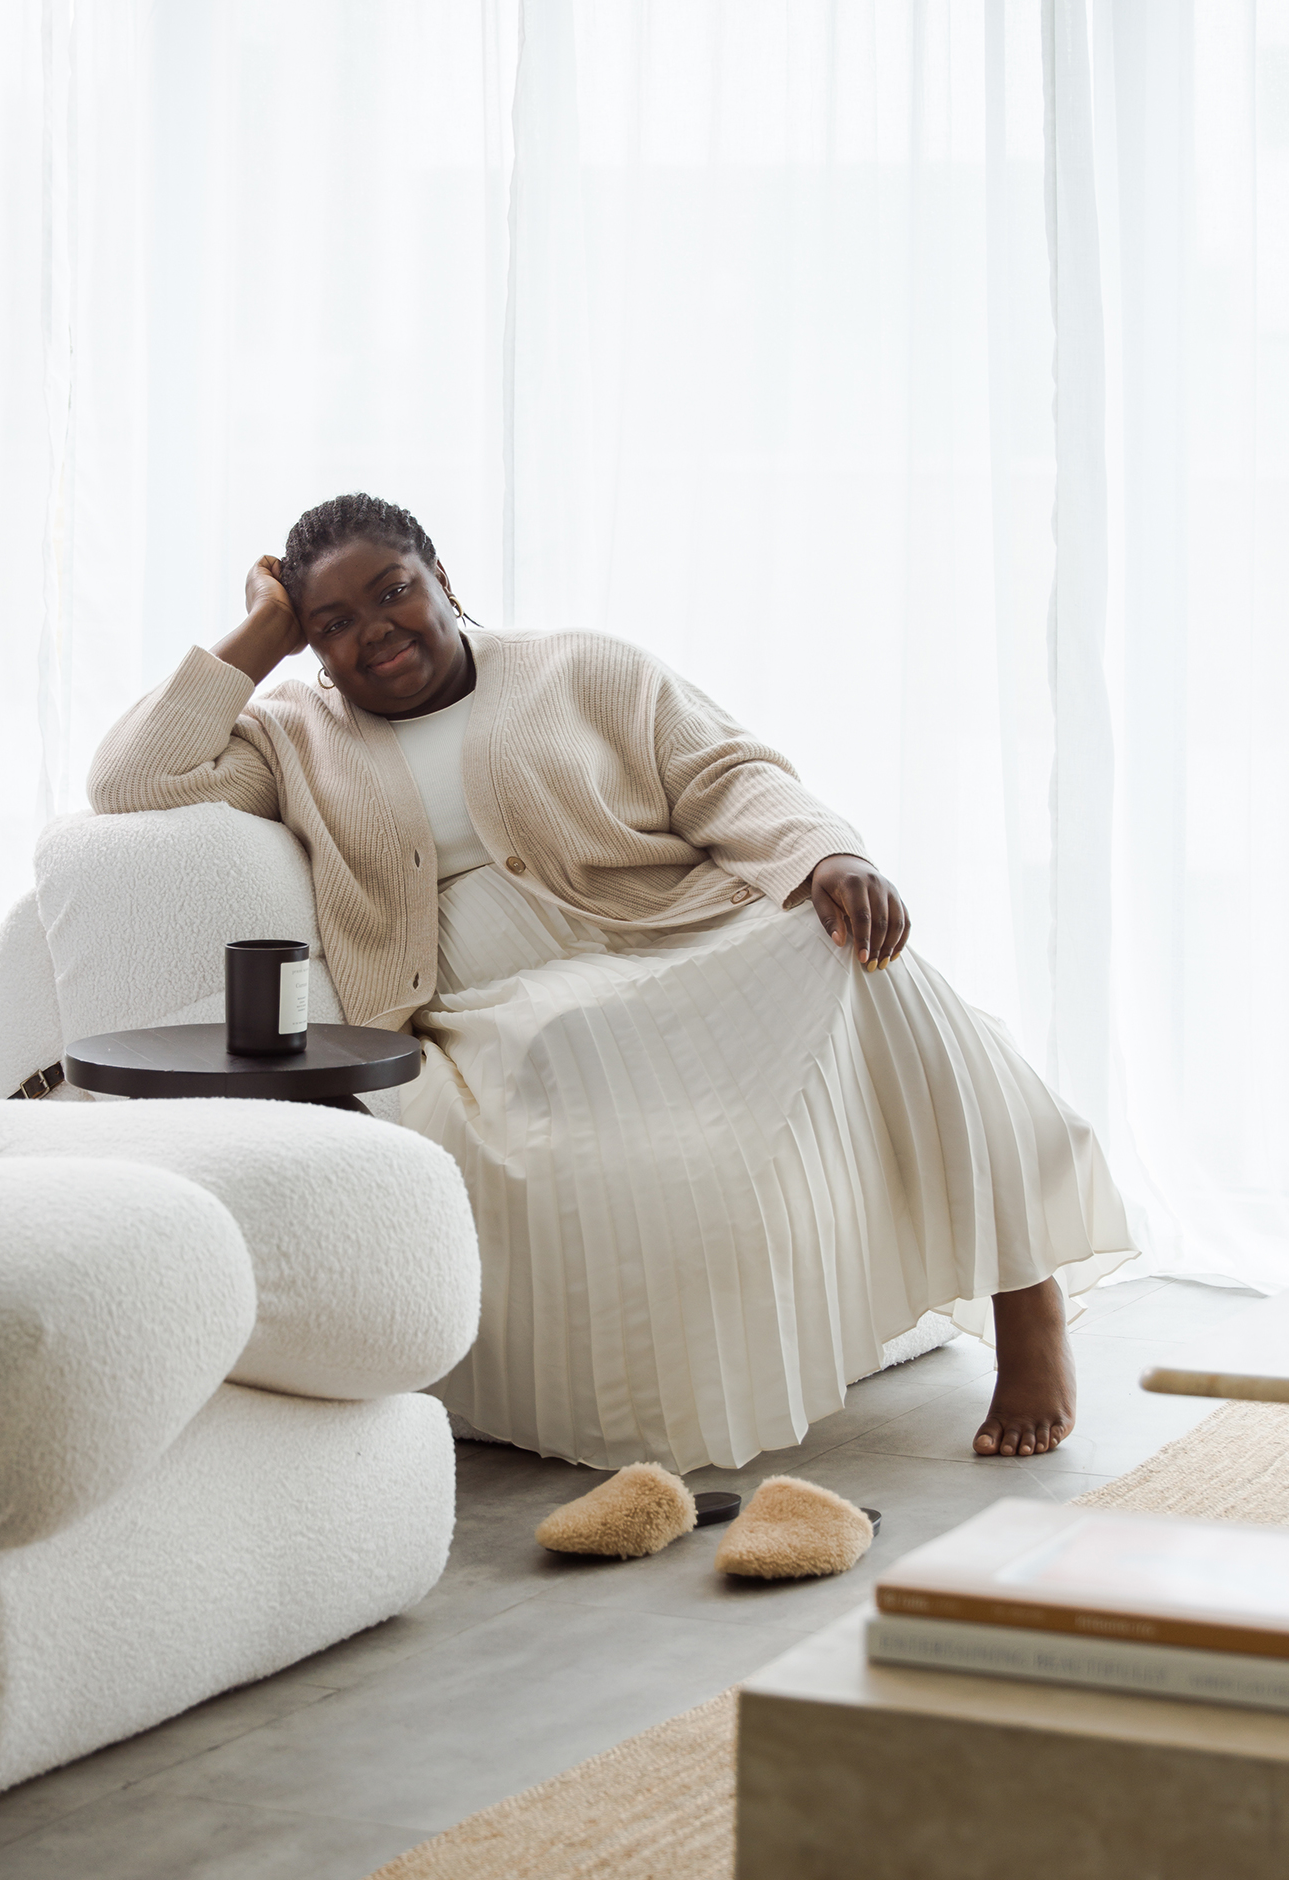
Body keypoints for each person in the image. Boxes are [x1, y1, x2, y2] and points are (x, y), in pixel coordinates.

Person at [89, 492, 1133, 1473]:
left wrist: (825, 856)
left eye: (391, 592)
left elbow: (723, 774)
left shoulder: (579, 665)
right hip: (503, 1011)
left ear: (440, 574)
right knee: (566, 1038)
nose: (373, 632)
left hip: (678, 935)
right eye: (332, 622)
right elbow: (133, 780)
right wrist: (262, 632)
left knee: (852, 957)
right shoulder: (290, 736)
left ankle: (1023, 1287)